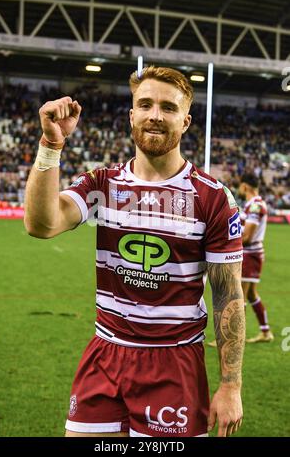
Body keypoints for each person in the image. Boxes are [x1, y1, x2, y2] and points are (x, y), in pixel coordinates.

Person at [24, 66, 245, 438]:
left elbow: (228, 295)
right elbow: (42, 224)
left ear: (186, 121)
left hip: (174, 363)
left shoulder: (213, 198)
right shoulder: (102, 183)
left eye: (168, 107)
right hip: (105, 353)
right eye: (145, 104)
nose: (155, 115)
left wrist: (230, 386)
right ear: (131, 115)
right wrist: (51, 146)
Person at [238, 173, 274, 343]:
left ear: (244, 186)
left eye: (239, 186)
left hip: (250, 254)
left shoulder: (255, 206)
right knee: (251, 294)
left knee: (239, 297)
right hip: (251, 254)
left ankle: (235, 338)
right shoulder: (253, 204)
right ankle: (266, 332)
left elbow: (247, 237)